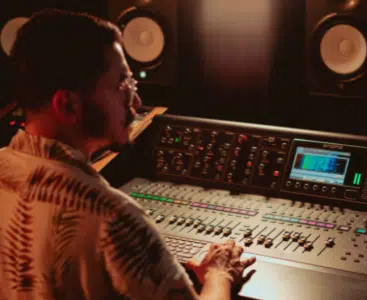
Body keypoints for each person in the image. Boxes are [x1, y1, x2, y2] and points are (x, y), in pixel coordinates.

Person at [0, 9, 256, 300]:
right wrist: (219, 276)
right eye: (122, 84)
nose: (136, 100)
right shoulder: (112, 220)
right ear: (68, 105)